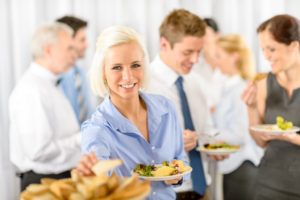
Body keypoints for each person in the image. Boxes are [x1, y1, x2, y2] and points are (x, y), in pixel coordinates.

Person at [76, 25, 188, 200]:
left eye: (135, 65)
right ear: (103, 72)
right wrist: (91, 179)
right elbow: (97, 182)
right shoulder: (97, 130)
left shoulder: (167, 108)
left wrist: (177, 176)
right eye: (117, 67)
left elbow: (181, 160)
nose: (128, 77)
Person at [147, 9, 217, 200]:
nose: (195, 60)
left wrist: (209, 144)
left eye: (198, 52)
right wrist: (172, 144)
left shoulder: (194, 82)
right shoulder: (143, 86)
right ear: (164, 44)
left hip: (202, 189)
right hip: (164, 192)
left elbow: (207, 130)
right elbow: (130, 147)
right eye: (188, 52)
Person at [9, 22, 80, 191]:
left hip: (58, 181)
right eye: (69, 48)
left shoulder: (47, 84)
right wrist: (81, 139)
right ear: (48, 50)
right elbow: (38, 151)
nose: (74, 55)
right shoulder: (32, 90)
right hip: (45, 184)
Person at [242, 14, 300, 200]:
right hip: (269, 185)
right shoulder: (263, 83)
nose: (266, 56)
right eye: (263, 49)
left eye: (272, 49)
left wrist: (292, 138)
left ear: (294, 46)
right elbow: (261, 141)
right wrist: (250, 108)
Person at [213, 34, 263, 200]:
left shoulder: (241, 89)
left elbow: (241, 134)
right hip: (233, 167)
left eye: (219, 56)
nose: (216, 61)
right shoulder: (229, 88)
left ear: (234, 56)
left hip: (243, 168)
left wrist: (206, 135)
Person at [56, 16, 95, 125]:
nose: (87, 45)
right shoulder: (57, 79)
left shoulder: (80, 73)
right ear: (68, 40)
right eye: (82, 40)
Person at [192, 17, 226, 113]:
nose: (203, 39)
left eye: (206, 34)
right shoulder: (194, 67)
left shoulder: (228, 64)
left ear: (217, 35)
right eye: (200, 35)